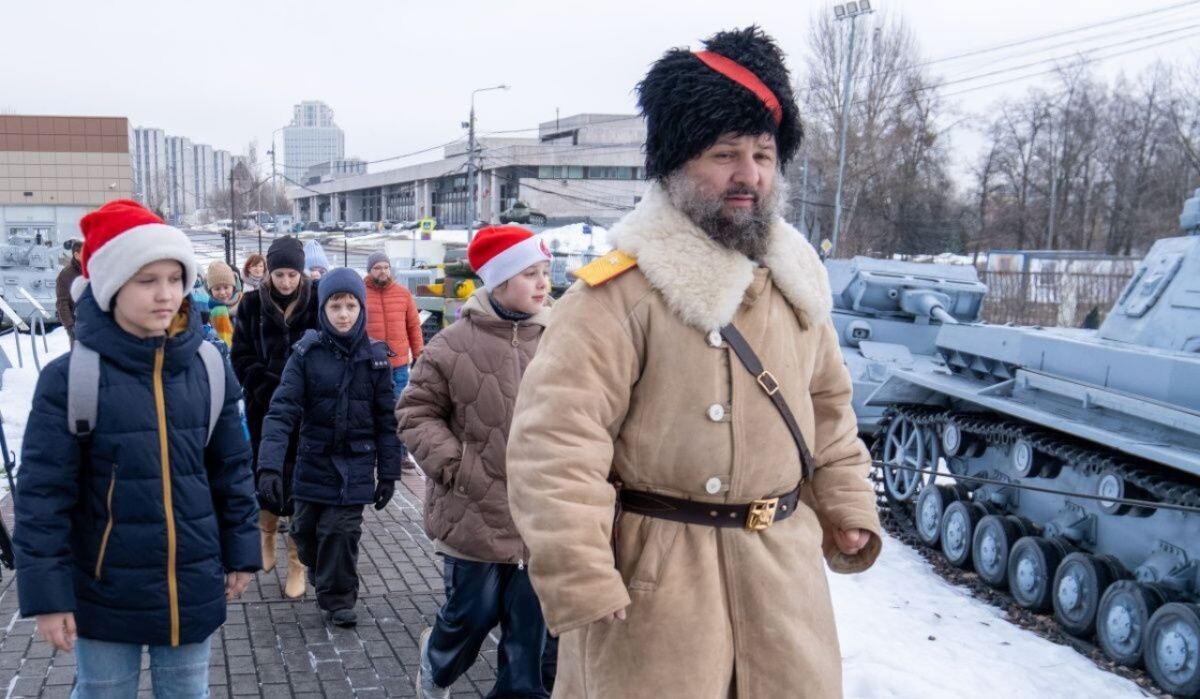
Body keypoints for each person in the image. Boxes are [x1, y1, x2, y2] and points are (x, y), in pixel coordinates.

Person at [504, 27, 882, 698]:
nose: (751, 175)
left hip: (783, 586)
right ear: (676, 165)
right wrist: (581, 570)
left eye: (763, 154)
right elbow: (555, 443)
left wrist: (847, 503)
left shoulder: (796, 282)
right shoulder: (616, 294)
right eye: (725, 153)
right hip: (656, 592)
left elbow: (828, 407)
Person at [14, 199, 259, 697]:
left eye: (175, 278)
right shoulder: (72, 379)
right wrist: (48, 597)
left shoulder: (209, 367)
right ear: (111, 287)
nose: (166, 294)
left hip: (189, 581)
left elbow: (232, 472)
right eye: (147, 281)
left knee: (188, 691)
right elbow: (42, 497)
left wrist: (241, 552)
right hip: (106, 588)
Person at [397, 225, 554, 699]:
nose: (543, 283)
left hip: (542, 517)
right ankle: (435, 665)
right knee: (470, 617)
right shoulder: (450, 344)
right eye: (530, 273)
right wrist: (457, 467)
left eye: (546, 272)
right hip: (474, 512)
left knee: (531, 642)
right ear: (499, 281)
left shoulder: (563, 339)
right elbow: (414, 412)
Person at [256, 267, 404, 628]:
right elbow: (281, 411)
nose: (343, 314)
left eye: (351, 305)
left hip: (354, 464)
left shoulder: (377, 359)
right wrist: (269, 466)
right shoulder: (306, 354)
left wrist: (389, 473)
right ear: (323, 310)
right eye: (336, 306)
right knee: (306, 533)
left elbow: (388, 421)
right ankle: (319, 567)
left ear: (361, 310)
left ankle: (338, 599)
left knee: (340, 531)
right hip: (312, 461)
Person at [231, 235, 318, 599]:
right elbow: (240, 357)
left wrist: (303, 392)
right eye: (279, 274)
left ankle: (297, 561)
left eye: (291, 275)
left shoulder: (316, 303)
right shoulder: (251, 305)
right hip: (263, 406)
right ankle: (266, 533)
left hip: (307, 409)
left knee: (300, 477)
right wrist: (269, 388)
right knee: (266, 470)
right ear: (268, 271)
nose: (285, 282)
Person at [363, 251, 424, 401]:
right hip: (370, 365)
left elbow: (414, 327)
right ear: (369, 271)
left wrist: (418, 355)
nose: (383, 271)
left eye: (386, 267)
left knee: (397, 407)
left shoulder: (403, 294)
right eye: (377, 268)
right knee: (372, 408)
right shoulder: (360, 293)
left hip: (399, 366)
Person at [205, 260, 242, 348]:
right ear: (211, 291)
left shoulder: (243, 301)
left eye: (226, 287)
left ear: (233, 287)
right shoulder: (213, 309)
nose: (222, 292)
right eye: (217, 289)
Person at [55, 239, 84, 344]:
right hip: (77, 324)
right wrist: (70, 326)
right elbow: (62, 303)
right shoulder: (66, 275)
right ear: (76, 255)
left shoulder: (92, 269)